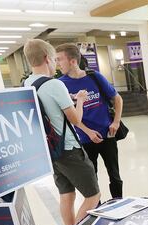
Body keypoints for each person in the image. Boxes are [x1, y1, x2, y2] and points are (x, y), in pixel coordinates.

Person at [23, 39, 100, 225]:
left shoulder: (27, 83)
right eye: (54, 60)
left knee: (67, 194)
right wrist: (80, 100)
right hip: (69, 149)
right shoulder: (55, 85)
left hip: (50, 150)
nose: (56, 64)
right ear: (46, 58)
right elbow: (75, 119)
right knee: (93, 195)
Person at [56, 43, 125, 199]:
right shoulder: (61, 84)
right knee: (91, 177)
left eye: (60, 59)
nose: (57, 64)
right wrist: (87, 131)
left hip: (107, 134)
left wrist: (116, 122)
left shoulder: (95, 77)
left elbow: (117, 99)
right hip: (85, 138)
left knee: (114, 174)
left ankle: (118, 202)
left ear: (73, 61)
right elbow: (68, 115)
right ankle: (96, 207)